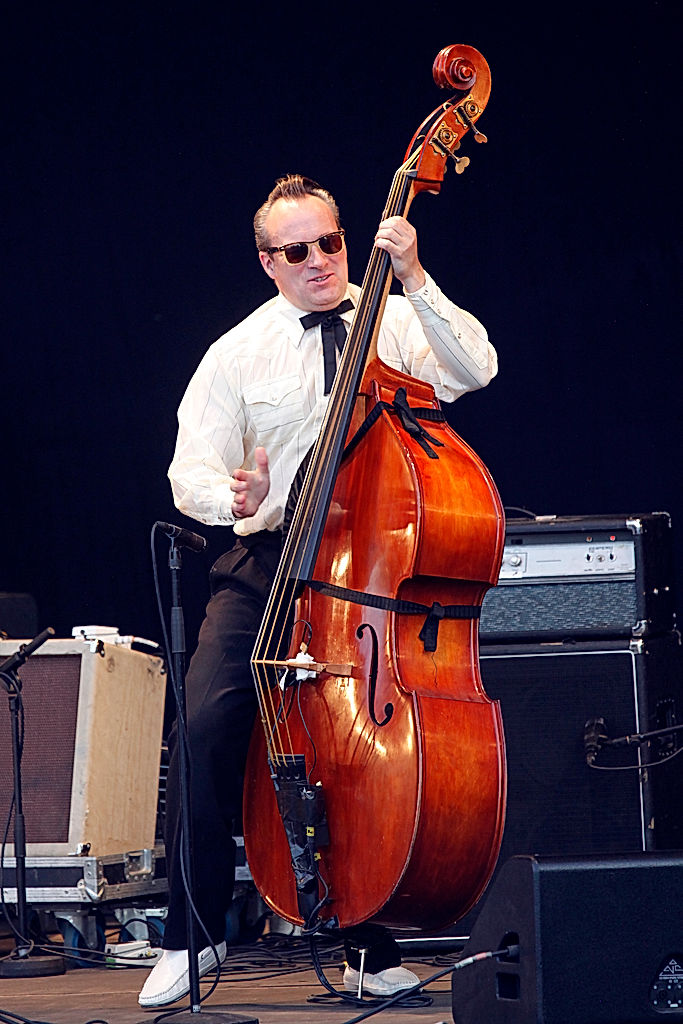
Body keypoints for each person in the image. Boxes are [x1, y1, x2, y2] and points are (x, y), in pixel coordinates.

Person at [138, 174, 497, 1008]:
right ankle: (191, 936)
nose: (319, 262)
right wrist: (229, 497)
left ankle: (367, 948)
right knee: (200, 725)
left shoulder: (397, 319)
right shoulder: (237, 352)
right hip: (271, 563)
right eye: (297, 251)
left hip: (370, 565)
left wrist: (413, 276)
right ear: (268, 261)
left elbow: (475, 369)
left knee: (351, 749)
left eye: (330, 243)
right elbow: (187, 470)